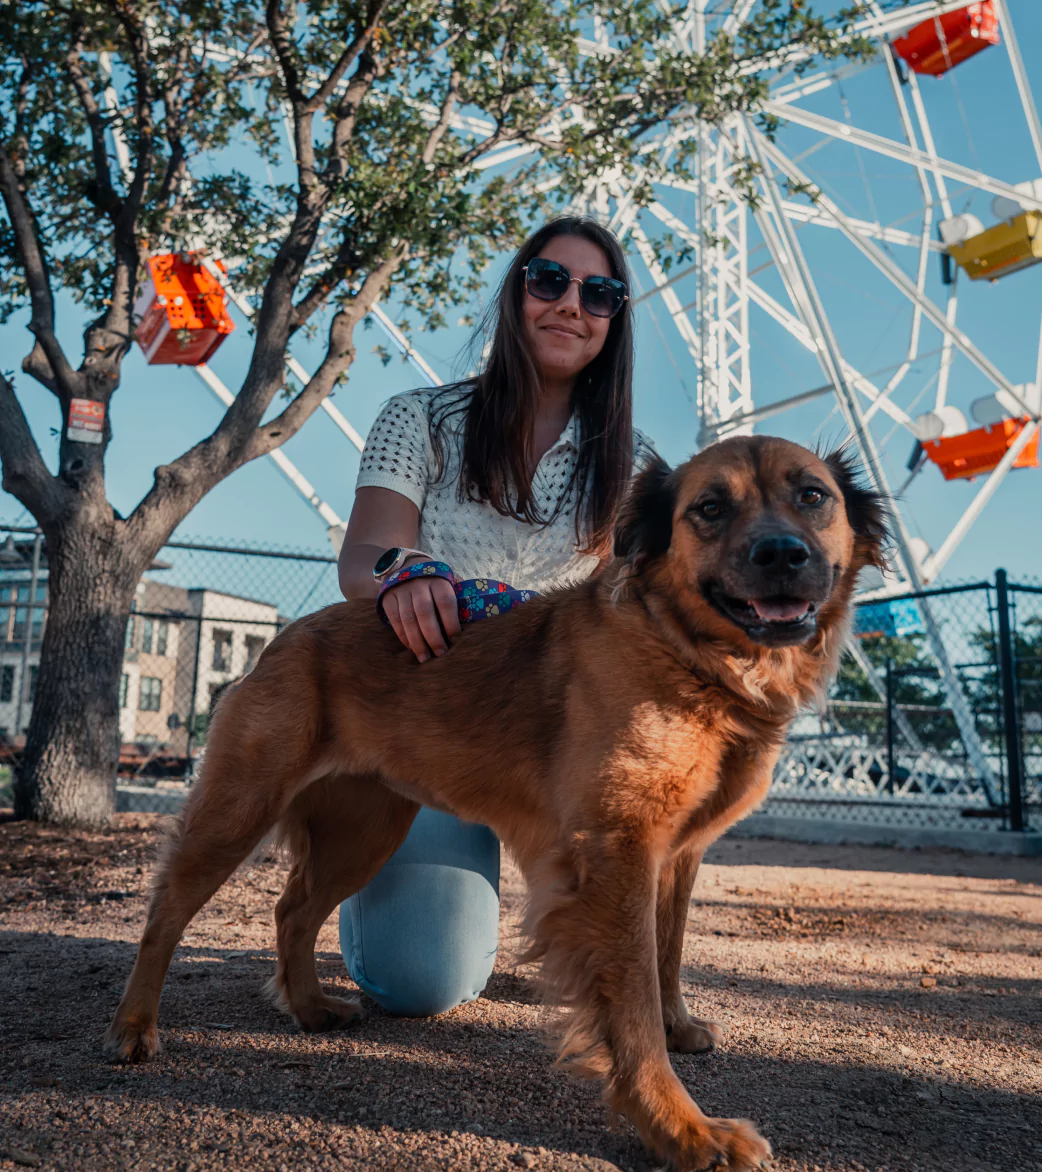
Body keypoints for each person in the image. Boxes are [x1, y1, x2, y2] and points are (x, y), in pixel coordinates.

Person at [336, 216, 656, 1016]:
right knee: (425, 983)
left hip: (559, 739)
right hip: (436, 731)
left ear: (615, 322)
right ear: (517, 293)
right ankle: (364, 874)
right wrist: (404, 574)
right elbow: (363, 558)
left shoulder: (636, 465)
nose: (571, 305)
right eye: (549, 280)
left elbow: (636, 619)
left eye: (600, 293)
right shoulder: (420, 420)